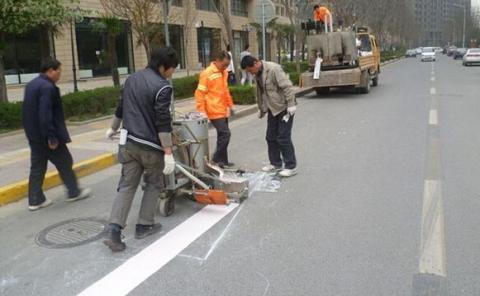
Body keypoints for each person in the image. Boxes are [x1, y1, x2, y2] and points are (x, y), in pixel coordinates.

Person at [103, 47, 178, 252]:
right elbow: (163, 121)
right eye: (172, 69)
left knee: (126, 186)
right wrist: (169, 152)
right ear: (163, 66)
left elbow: (121, 107)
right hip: (150, 147)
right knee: (154, 183)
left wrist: (112, 127)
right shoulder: (162, 87)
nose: (172, 73)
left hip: (128, 144)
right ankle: (145, 224)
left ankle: (114, 231)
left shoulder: (131, 79)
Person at [22, 58, 91, 211]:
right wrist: (51, 137)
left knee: (38, 167)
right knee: (65, 161)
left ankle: (35, 199)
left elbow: (27, 112)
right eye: (59, 70)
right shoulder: (48, 87)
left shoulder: (31, 84)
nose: (60, 74)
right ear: (50, 71)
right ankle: (74, 192)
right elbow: (45, 114)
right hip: (47, 136)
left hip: (34, 136)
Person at [241, 55, 298, 177]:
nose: (251, 73)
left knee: (283, 137)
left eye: (251, 70)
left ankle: (291, 166)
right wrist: (261, 109)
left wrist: (291, 104)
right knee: (270, 137)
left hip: (284, 107)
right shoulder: (258, 74)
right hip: (273, 109)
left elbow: (287, 86)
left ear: (256, 63)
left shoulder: (274, 69)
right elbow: (261, 93)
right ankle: (276, 163)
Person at [195, 51, 235, 168]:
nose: (226, 67)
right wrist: (201, 111)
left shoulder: (224, 73)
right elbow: (200, 93)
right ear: (217, 60)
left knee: (222, 135)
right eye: (224, 65)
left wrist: (230, 105)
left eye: (227, 65)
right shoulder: (207, 73)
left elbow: (225, 91)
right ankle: (215, 160)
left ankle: (223, 162)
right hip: (213, 110)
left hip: (222, 109)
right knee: (225, 134)